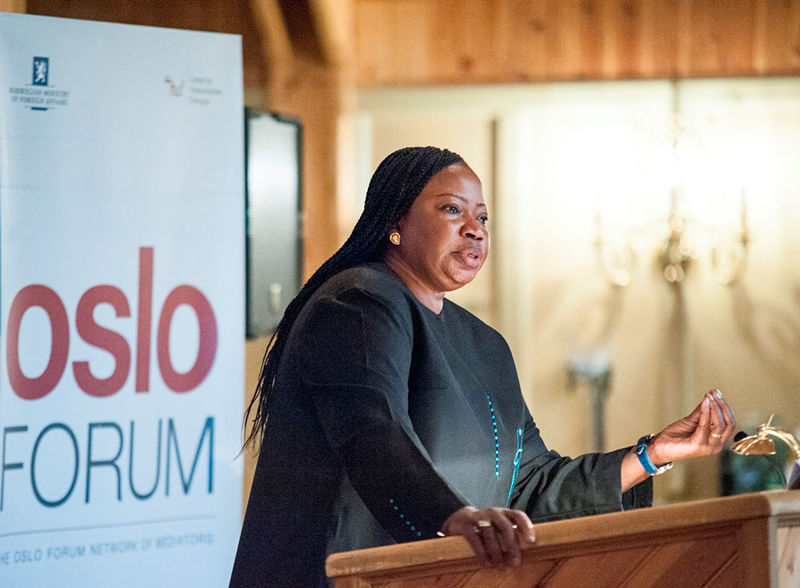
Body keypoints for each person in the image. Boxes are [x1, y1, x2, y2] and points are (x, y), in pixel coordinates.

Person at [229, 146, 737, 587]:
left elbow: (529, 484)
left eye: (483, 217)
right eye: (452, 210)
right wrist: (456, 519)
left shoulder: (484, 343)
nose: (475, 229)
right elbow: (374, 435)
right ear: (395, 223)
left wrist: (651, 455)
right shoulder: (357, 302)